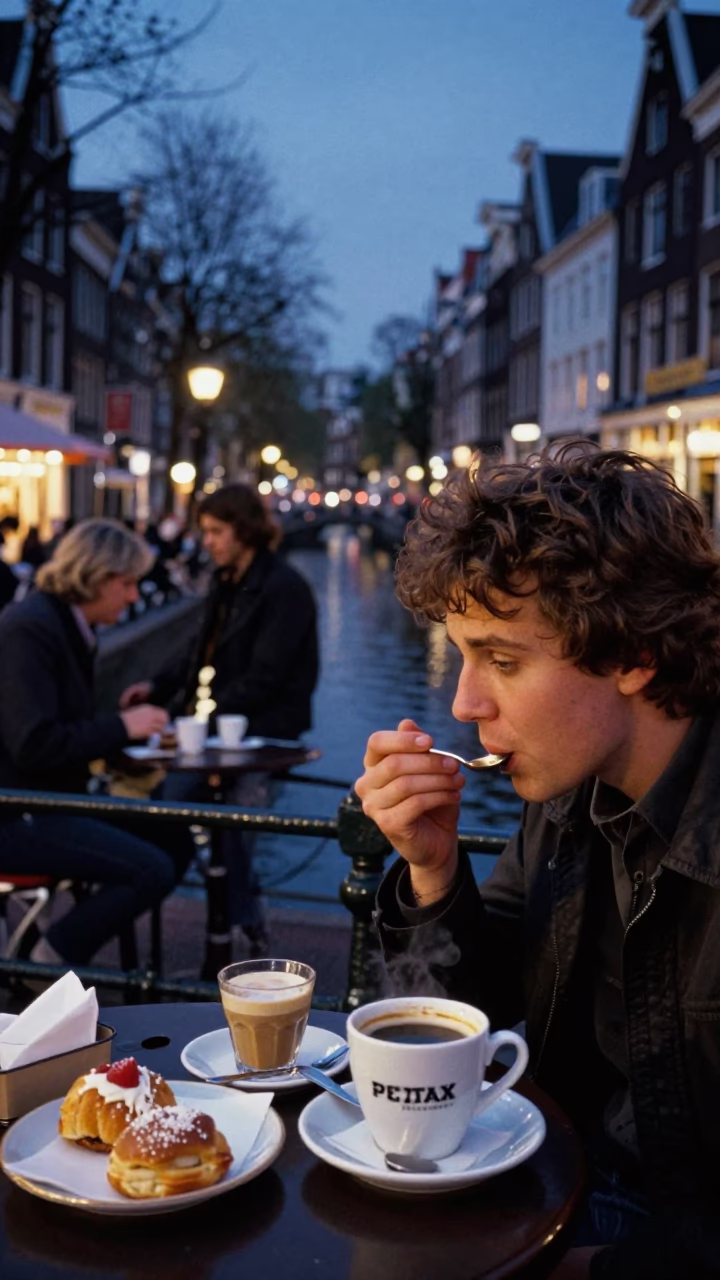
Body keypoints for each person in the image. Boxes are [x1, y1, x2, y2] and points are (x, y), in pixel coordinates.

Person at [355, 444, 720, 1280]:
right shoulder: (566, 795)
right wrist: (434, 871)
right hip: (564, 1178)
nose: (463, 703)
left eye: (503, 660)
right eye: (462, 653)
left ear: (633, 655)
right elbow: (466, 1017)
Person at [122, 483, 319, 954]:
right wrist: (159, 686)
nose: (206, 541)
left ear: (244, 530)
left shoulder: (284, 589)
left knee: (231, 829)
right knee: (183, 812)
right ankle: (232, 924)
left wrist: (200, 724)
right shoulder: (227, 581)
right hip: (222, 733)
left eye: (215, 531)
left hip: (265, 734)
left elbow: (267, 677)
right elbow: (199, 648)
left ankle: (234, 931)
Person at [0, 518, 194, 966]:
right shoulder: (30, 630)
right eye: (126, 584)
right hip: (19, 814)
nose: (132, 596)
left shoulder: (64, 624)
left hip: (51, 800)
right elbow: (32, 743)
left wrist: (116, 752)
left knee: (175, 839)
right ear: (94, 576)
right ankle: (50, 957)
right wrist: (123, 728)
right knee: (152, 867)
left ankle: (74, 949)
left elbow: (59, 729)